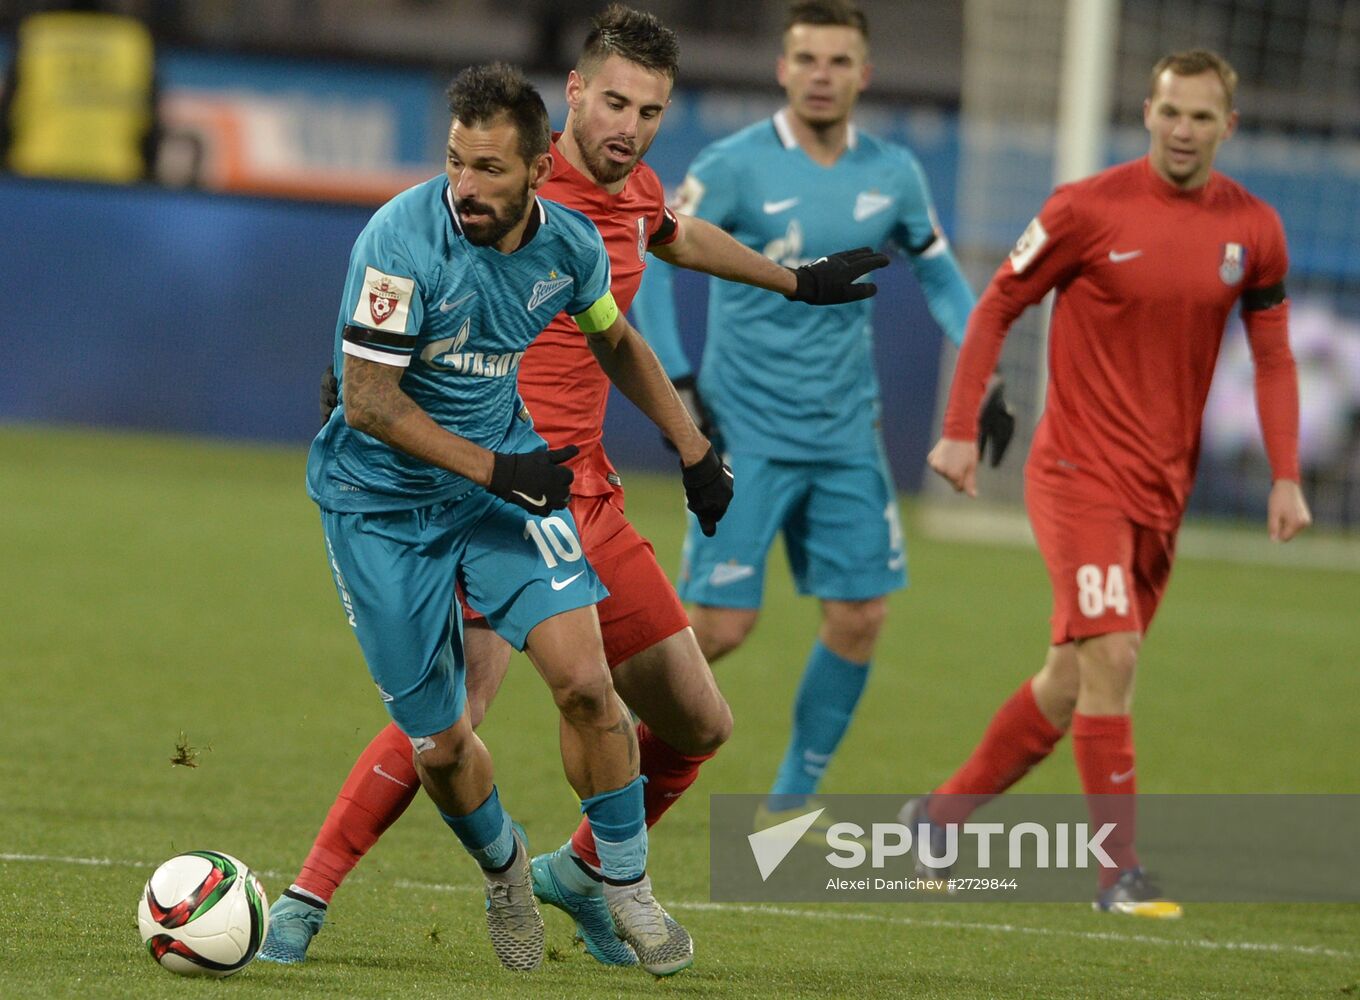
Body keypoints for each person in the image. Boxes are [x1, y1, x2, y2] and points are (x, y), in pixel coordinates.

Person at [262, 6, 887, 972]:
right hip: (488, 484)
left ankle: (584, 873)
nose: (629, 127)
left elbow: (669, 239)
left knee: (697, 721)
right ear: (573, 99)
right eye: (615, 103)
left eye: (651, 110)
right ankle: (311, 892)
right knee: (452, 714)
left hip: (580, 490)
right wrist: (356, 386)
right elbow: (403, 271)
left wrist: (791, 287)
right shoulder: (507, 175)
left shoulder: (622, 195)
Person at [298, 61, 745, 977]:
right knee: (441, 738)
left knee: (587, 684)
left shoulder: (571, 248)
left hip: (508, 488)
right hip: (382, 505)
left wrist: (691, 446)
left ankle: (626, 887)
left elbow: (615, 336)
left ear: (539, 168)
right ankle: (505, 874)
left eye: (489, 169)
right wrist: (505, 467)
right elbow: (370, 402)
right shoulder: (400, 241)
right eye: (456, 163)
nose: (465, 187)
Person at [914, 48, 1311, 917]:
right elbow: (998, 305)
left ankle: (936, 822)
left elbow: (1275, 355)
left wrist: (1286, 476)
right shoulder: (1086, 208)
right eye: (1171, 111)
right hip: (1075, 472)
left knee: (1070, 678)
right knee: (1115, 658)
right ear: (1147, 112)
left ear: (1226, 127)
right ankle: (1117, 875)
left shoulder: (1256, 229)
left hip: (1159, 494)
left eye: (1202, 117)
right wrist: (955, 433)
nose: (1183, 129)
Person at [632, 0, 1012, 832]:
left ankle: (791, 800)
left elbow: (945, 282)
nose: (821, 74)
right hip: (745, 434)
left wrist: (983, 378)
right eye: (807, 58)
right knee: (723, 625)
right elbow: (653, 265)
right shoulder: (734, 165)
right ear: (782, 66)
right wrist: (681, 385)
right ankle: (622, 745)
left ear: (865, 75)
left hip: (846, 436)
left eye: (839, 61)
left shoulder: (896, 174)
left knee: (861, 614)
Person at [0, 0, 160, 182]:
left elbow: (7, 115)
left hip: (36, 172)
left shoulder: (36, 33)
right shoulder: (133, 39)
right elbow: (152, 124)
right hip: (116, 176)